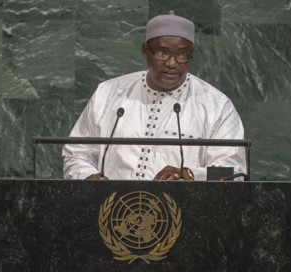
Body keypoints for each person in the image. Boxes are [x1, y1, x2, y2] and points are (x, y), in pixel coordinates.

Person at [62, 11, 246, 181]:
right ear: (145, 51)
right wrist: (87, 177)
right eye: (162, 53)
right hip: (111, 211)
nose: (172, 63)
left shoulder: (217, 106)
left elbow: (233, 171)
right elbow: (77, 153)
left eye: (182, 55)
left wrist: (190, 174)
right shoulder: (108, 93)